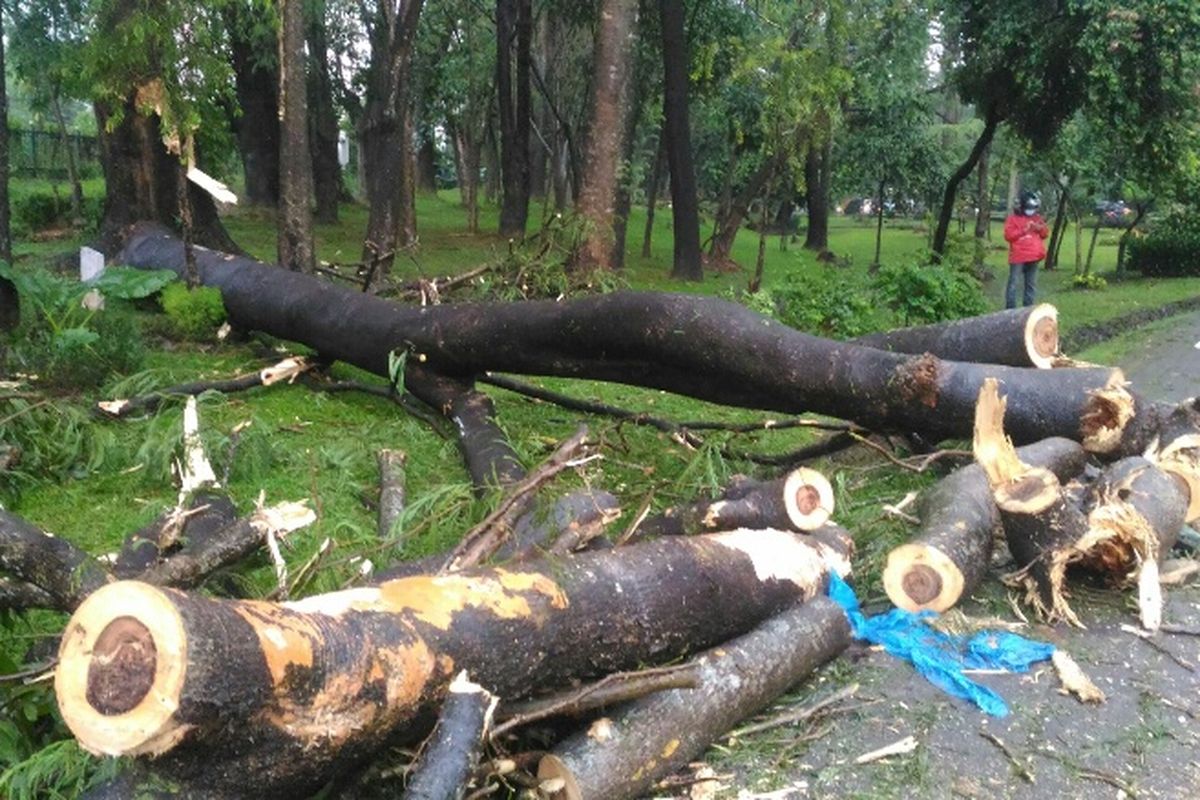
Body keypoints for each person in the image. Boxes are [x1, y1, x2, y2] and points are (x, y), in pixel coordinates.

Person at [1003, 191, 1049, 309]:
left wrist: (1040, 228)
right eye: (1029, 207)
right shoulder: (1013, 219)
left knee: (1031, 285)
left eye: (1033, 208)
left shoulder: (1037, 218)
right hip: (1018, 256)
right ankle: (1010, 310)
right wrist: (1024, 229)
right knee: (1013, 284)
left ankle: (1028, 310)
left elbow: (1044, 235)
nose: (1031, 210)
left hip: (1034, 256)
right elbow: (1009, 236)